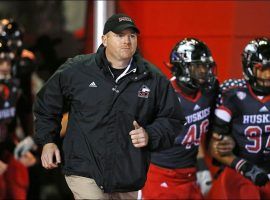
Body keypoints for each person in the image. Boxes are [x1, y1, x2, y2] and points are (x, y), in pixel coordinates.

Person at [33, 13, 185, 199]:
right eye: (120, 35)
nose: (127, 41)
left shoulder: (153, 78)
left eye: (132, 36)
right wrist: (48, 141)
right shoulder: (77, 70)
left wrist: (150, 134)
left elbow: (173, 118)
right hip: (84, 170)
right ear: (104, 39)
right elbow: (46, 104)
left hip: (128, 174)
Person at [141, 38, 219, 199]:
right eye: (197, 66)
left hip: (190, 174)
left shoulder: (209, 91)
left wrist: (202, 165)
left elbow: (195, 133)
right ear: (182, 68)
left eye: (205, 66)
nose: (204, 71)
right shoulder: (160, 96)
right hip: (161, 175)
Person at [208, 37, 270, 199]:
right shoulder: (231, 93)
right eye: (262, 68)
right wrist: (243, 165)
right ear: (249, 68)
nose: (268, 74)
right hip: (243, 171)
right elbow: (215, 146)